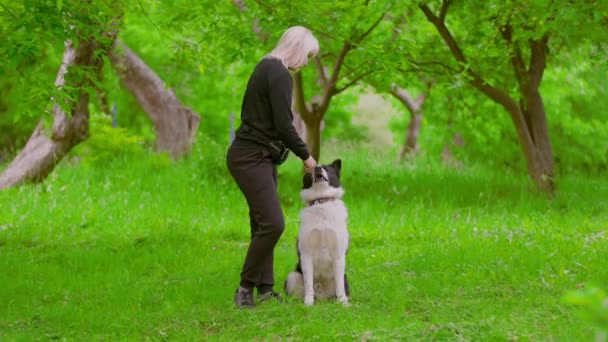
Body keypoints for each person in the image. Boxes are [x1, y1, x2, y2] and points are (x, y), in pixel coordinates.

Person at [226, 26, 319, 308]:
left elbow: (274, 124)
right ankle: (244, 289)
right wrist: (307, 156)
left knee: (262, 223)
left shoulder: (267, 66)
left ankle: (265, 290)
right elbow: (283, 124)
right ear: (297, 48)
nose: (306, 63)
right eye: (308, 56)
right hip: (249, 156)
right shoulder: (278, 72)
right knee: (274, 223)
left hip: (259, 155)